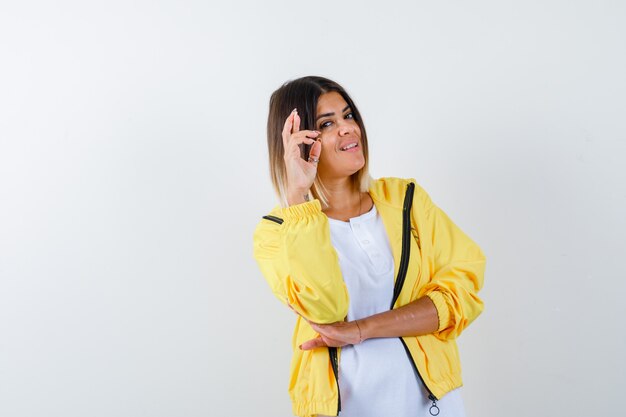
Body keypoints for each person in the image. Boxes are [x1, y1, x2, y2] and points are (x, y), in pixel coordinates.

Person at [252, 76, 486, 417]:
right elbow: (325, 311)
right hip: (348, 407)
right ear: (297, 144)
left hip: (431, 404)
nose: (348, 129)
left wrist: (361, 329)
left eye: (349, 116)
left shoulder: (406, 199)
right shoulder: (276, 232)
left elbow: (462, 295)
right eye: (327, 124)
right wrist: (298, 198)